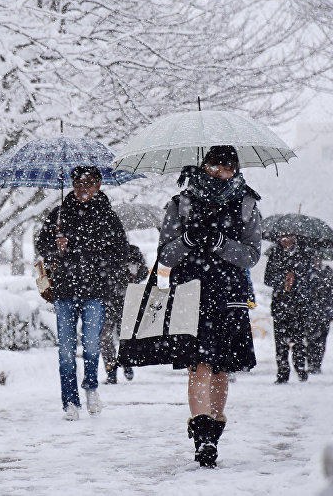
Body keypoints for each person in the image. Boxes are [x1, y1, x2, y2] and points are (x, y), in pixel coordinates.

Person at [158, 145, 262, 468]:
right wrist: (188, 239)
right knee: (198, 365)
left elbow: (252, 255)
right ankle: (202, 436)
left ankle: (213, 433)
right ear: (203, 166)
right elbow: (165, 255)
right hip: (191, 294)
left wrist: (221, 244)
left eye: (226, 168)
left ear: (235, 169)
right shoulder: (182, 204)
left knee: (221, 368)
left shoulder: (247, 204)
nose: (219, 174)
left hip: (229, 296)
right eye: (213, 167)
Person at [35, 166, 128, 421]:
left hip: (95, 292)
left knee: (91, 345)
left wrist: (89, 253)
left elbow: (121, 252)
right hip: (64, 291)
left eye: (88, 183)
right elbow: (41, 245)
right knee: (65, 350)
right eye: (78, 183)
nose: (82, 188)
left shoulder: (108, 217)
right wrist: (56, 246)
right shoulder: (59, 215)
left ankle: (91, 387)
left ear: (98, 185)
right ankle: (69, 401)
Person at [264, 235, 314, 384]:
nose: (284, 240)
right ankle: (282, 372)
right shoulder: (274, 254)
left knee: (299, 341)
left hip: (299, 306)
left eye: (288, 237)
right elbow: (268, 279)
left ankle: (300, 369)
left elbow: (309, 278)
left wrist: (296, 278)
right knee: (280, 343)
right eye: (282, 237)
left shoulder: (304, 254)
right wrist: (283, 279)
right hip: (280, 305)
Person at [101, 244, 149, 384]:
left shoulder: (132, 251)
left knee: (122, 334)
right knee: (106, 337)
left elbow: (143, 271)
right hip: (108, 299)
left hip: (125, 299)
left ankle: (126, 363)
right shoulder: (102, 250)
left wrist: (134, 273)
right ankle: (111, 371)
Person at [307, 257, 333, 373]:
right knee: (311, 338)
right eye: (314, 258)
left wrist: (328, 300)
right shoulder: (308, 271)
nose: (317, 260)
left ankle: (317, 363)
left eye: (318, 258)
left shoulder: (328, 270)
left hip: (325, 311)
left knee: (322, 338)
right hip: (311, 311)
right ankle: (311, 363)